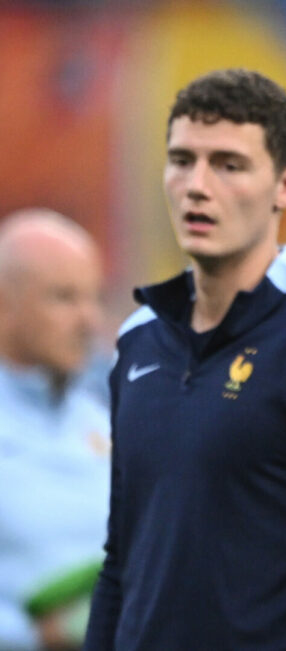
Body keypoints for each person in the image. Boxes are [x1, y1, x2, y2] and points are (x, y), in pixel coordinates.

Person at [83, 69, 286, 650]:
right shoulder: (138, 339)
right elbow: (122, 558)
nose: (196, 186)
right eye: (182, 160)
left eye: (228, 165)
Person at [0, 208, 109, 651]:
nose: (89, 321)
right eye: (64, 298)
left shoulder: (99, 420)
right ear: (4, 306)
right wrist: (30, 636)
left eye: (94, 298)